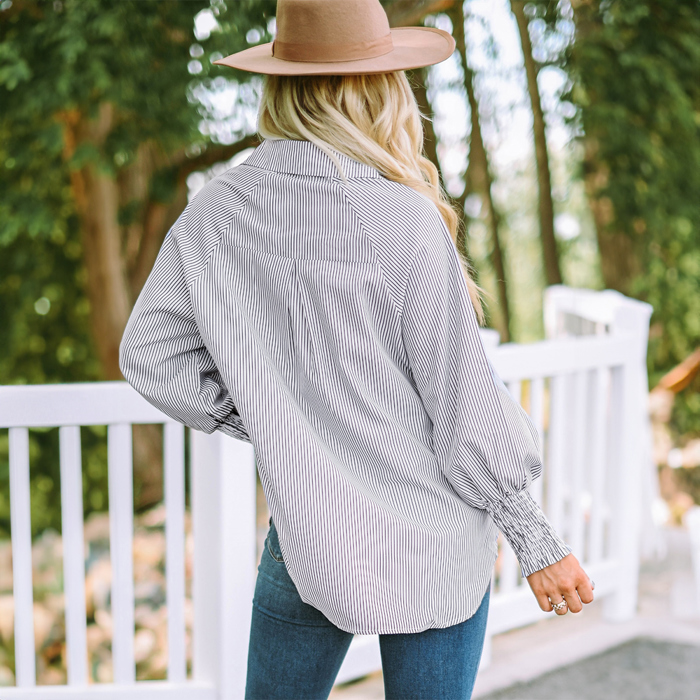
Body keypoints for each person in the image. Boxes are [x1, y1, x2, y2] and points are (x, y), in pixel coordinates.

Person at [119, 0, 595, 697]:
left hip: (311, 536)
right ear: (375, 86)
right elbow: (463, 403)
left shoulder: (217, 210)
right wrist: (538, 544)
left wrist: (279, 419)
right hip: (435, 540)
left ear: (282, 84)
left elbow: (152, 355)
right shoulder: (403, 219)